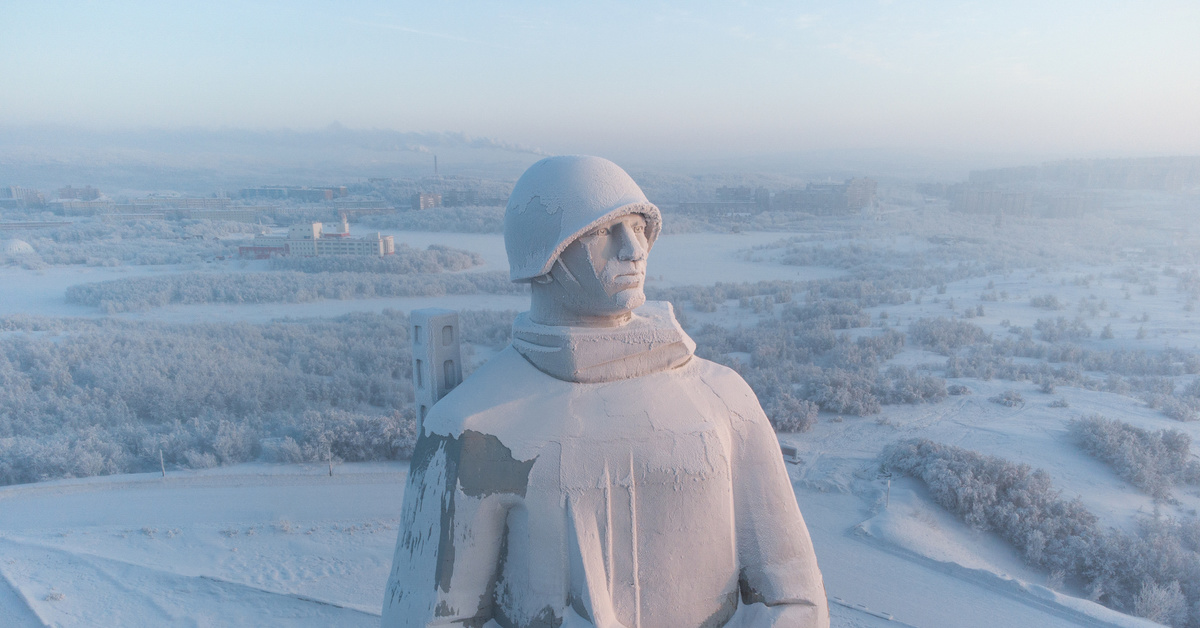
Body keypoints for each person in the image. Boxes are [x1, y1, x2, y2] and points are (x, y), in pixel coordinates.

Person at [382, 155, 828, 628]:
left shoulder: (724, 401)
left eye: (639, 228)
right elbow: (428, 617)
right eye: (603, 231)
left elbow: (794, 595)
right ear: (543, 253)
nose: (632, 250)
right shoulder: (473, 428)